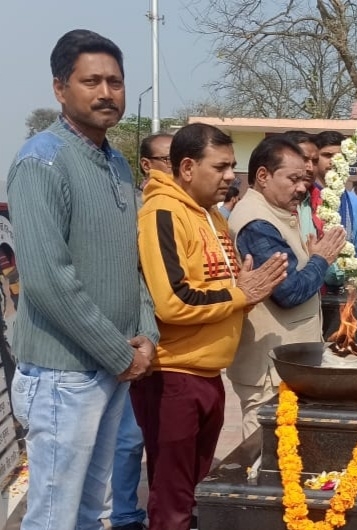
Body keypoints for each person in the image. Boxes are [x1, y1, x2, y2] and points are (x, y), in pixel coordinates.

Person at [7, 29, 159, 530]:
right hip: (64, 374)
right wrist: (120, 354)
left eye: (115, 81)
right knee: (55, 516)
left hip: (112, 366)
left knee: (93, 512)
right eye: (91, 81)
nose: (106, 93)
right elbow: (48, 280)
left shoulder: (115, 162)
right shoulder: (42, 161)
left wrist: (146, 336)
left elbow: (130, 262)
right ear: (60, 88)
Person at [135, 123, 288, 530]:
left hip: (206, 373)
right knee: (171, 500)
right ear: (187, 168)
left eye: (232, 166)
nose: (230, 176)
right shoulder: (162, 212)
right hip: (173, 375)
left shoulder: (213, 216)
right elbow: (174, 300)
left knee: (196, 491)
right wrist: (240, 294)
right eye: (220, 167)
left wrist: (246, 292)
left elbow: (225, 287)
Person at [227, 136, 346, 438]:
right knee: (263, 451)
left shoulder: (274, 212)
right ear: (263, 176)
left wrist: (312, 258)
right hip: (269, 368)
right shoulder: (256, 223)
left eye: (304, 179)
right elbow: (289, 292)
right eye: (293, 179)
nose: (302, 188)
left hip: (286, 362)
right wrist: (321, 259)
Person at [102, 133, 175, 530]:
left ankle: (164, 507)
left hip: (170, 342)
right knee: (128, 438)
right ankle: (125, 513)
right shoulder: (134, 207)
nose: (177, 168)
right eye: (168, 160)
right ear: (147, 165)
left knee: (163, 435)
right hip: (133, 339)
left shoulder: (187, 208)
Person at [314, 131, 357, 258]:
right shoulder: (303, 197)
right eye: (327, 155)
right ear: (315, 159)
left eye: (340, 157)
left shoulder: (356, 204)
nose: (334, 161)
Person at [285, 130, 323, 240]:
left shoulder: (321, 202)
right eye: (304, 159)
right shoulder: (273, 203)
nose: (310, 168)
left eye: (315, 161)